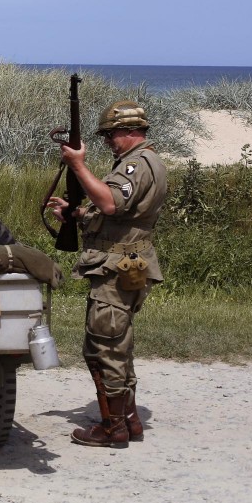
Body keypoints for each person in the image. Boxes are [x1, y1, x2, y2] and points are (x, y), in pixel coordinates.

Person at [46, 100, 166, 448]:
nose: (108, 141)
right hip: (128, 262)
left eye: (111, 135)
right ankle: (129, 419)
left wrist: (79, 166)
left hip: (116, 270)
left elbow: (112, 203)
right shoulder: (148, 162)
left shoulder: (136, 166)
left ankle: (112, 428)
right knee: (119, 343)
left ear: (130, 131)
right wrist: (79, 214)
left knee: (103, 347)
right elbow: (119, 218)